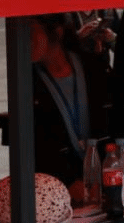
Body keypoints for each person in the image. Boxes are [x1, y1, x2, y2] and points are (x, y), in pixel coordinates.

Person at [30, 13, 112, 189]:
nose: (25, 39)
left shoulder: (92, 67)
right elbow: (38, 145)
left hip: (103, 174)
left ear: (57, 31)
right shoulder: (28, 81)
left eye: (32, 31)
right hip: (55, 186)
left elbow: (112, 121)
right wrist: (67, 181)